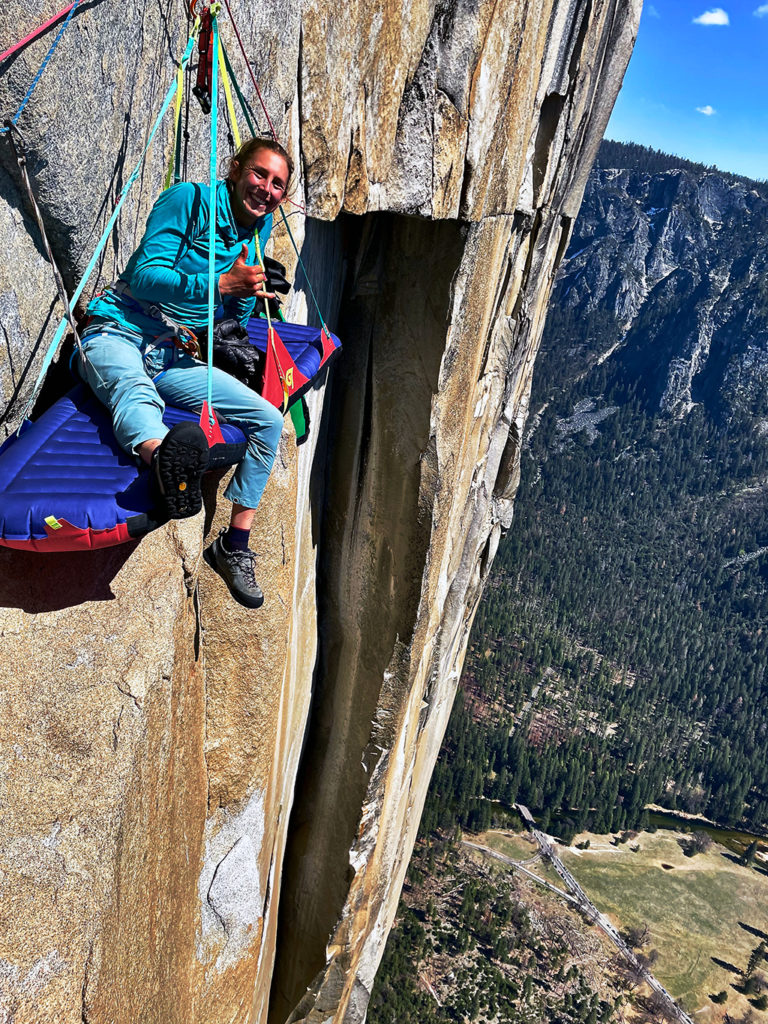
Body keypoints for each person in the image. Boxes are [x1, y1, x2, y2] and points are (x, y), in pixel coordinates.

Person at [78, 137, 293, 608]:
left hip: (172, 351)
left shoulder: (255, 230)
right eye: (259, 174)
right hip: (117, 327)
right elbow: (144, 277)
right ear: (235, 170)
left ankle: (233, 545)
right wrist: (220, 282)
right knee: (132, 389)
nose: (266, 189)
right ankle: (162, 464)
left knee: (269, 421)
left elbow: (221, 314)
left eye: (278, 184)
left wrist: (248, 297)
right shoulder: (188, 200)